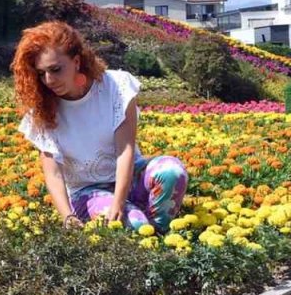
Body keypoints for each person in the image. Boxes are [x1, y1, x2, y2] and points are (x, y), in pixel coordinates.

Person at [12, 21, 188, 230]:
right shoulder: (42, 110)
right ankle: (141, 228)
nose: (49, 80)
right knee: (134, 224)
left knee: (172, 172)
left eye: (55, 69)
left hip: (129, 177)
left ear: (76, 61)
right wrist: (67, 217)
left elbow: (125, 150)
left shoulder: (116, 87)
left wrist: (119, 202)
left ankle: (159, 234)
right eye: (41, 73)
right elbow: (53, 174)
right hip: (86, 191)